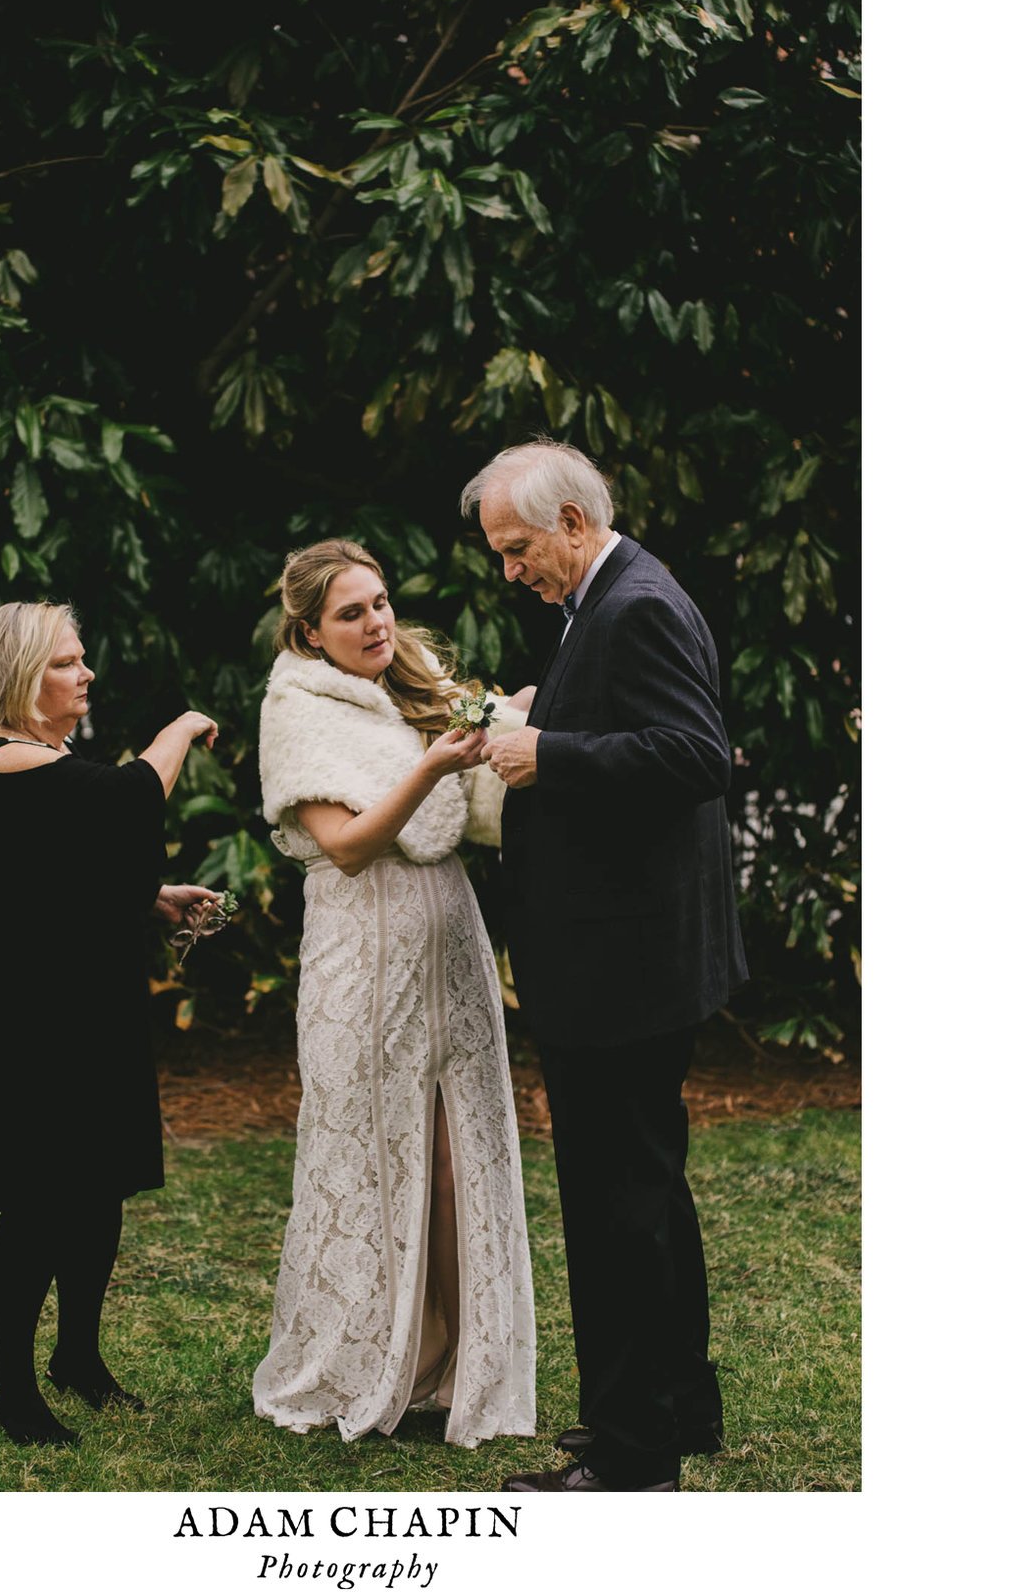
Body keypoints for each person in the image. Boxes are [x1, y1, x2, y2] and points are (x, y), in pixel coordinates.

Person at [461, 441, 748, 1494]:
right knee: (649, 1192)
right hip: (631, 953)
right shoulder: (613, 597)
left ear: (574, 521)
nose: (510, 570)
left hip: (622, 967)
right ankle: (669, 1404)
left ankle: (632, 1459)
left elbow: (695, 754)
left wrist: (550, 753)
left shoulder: (636, 604)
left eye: (518, 547)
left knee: (615, 1205)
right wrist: (552, 719)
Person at [249, 539, 538, 1449]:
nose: (376, 622)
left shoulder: (409, 682)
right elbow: (347, 843)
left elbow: (482, 794)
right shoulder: (295, 708)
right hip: (359, 957)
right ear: (309, 629)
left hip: (446, 942)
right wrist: (433, 765)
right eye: (351, 612)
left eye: (379, 603)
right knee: (370, 1148)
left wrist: (507, 729)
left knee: (457, 1152)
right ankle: (379, 1354)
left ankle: (458, 1356)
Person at [0, 599, 222, 1447]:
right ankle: (9, 1383)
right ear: (25, 676)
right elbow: (129, 800)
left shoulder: (48, 759)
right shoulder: (7, 759)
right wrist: (180, 726)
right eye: (68, 661)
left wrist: (154, 896)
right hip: (33, 1017)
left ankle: (78, 1357)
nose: (86, 673)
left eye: (82, 657)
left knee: (97, 1187)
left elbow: (64, 870)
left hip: (88, 1002)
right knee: (39, 1198)